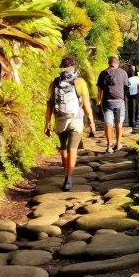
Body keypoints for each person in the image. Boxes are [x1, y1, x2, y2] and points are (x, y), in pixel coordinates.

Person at [44, 55, 94, 191]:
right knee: (73, 149)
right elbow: (86, 105)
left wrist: (47, 124)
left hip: (60, 120)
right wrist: (91, 120)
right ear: (75, 67)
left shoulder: (54, 82)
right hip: (76, 119)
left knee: (64, 148)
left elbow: (49, 105)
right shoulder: (80, 82)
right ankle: (68, 178)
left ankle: (66, 172)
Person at [97, 55, 129, 153]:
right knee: (119, 123)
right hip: (120, 102)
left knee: (108, 123)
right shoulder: (123, 73)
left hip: (107, 102)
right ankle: (118, 144)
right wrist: (124, 99)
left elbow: (99, 90)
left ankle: (109, 145)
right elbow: (126, 88)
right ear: (117, 63)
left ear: (108, 62)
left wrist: (99, 101)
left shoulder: (103, 73)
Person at [126, 64, 139, 129]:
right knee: (131, 109)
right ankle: (132, 123)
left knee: (135, 109)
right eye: (131, 70)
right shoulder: (128, 78)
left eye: (133, 70)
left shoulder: (137, 78)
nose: (132, 71)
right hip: (130, 95)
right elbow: (126, 88)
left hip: (136, 94)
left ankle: (134, 122)